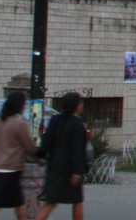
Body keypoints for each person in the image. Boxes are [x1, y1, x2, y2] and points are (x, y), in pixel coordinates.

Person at [0, 92, 40, 220]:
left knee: (18, 203)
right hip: (11, 168)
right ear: (19, 106)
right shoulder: (19, 123)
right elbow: (28, 146)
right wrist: (39, 155)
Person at [34, 92, 87, 220]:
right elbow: (77, 150)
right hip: (69, 170)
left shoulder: (55, 120)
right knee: (77, 202)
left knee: (50, 203)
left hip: (54, 167)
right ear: (75, 106)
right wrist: (77, 171)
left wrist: (41, 155)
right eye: (80, 102)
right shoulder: (77, 124)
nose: (82, 105)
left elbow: (47, 141)